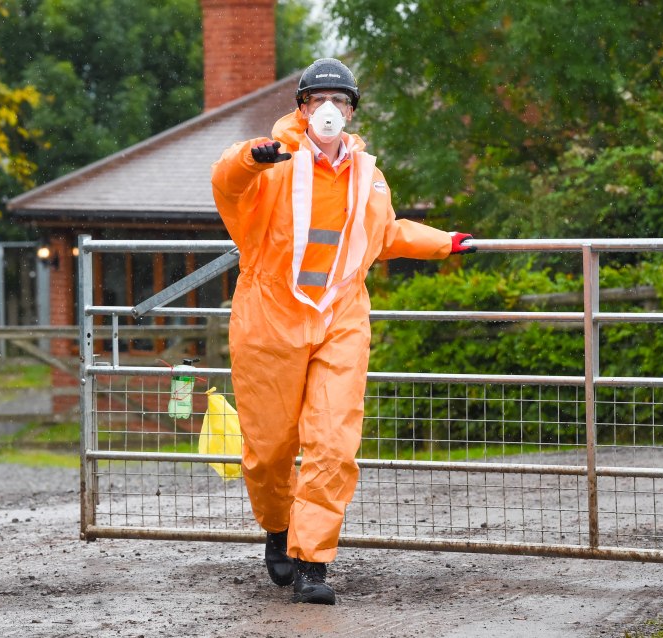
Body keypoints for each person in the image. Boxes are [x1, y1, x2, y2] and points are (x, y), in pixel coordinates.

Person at [210, 58, 476, 605]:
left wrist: (444, 241)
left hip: (340, 319)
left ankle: (313, 563)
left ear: (351, 111)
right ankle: (277, 529)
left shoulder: (367, 174)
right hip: (268, 320)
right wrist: (248, 158)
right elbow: (226, 186)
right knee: (269, 451)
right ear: (301, 108)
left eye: (339, 101)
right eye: (317, 100)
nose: (328, 110)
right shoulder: (272, 165)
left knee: (334, 443)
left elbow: (386, 231)